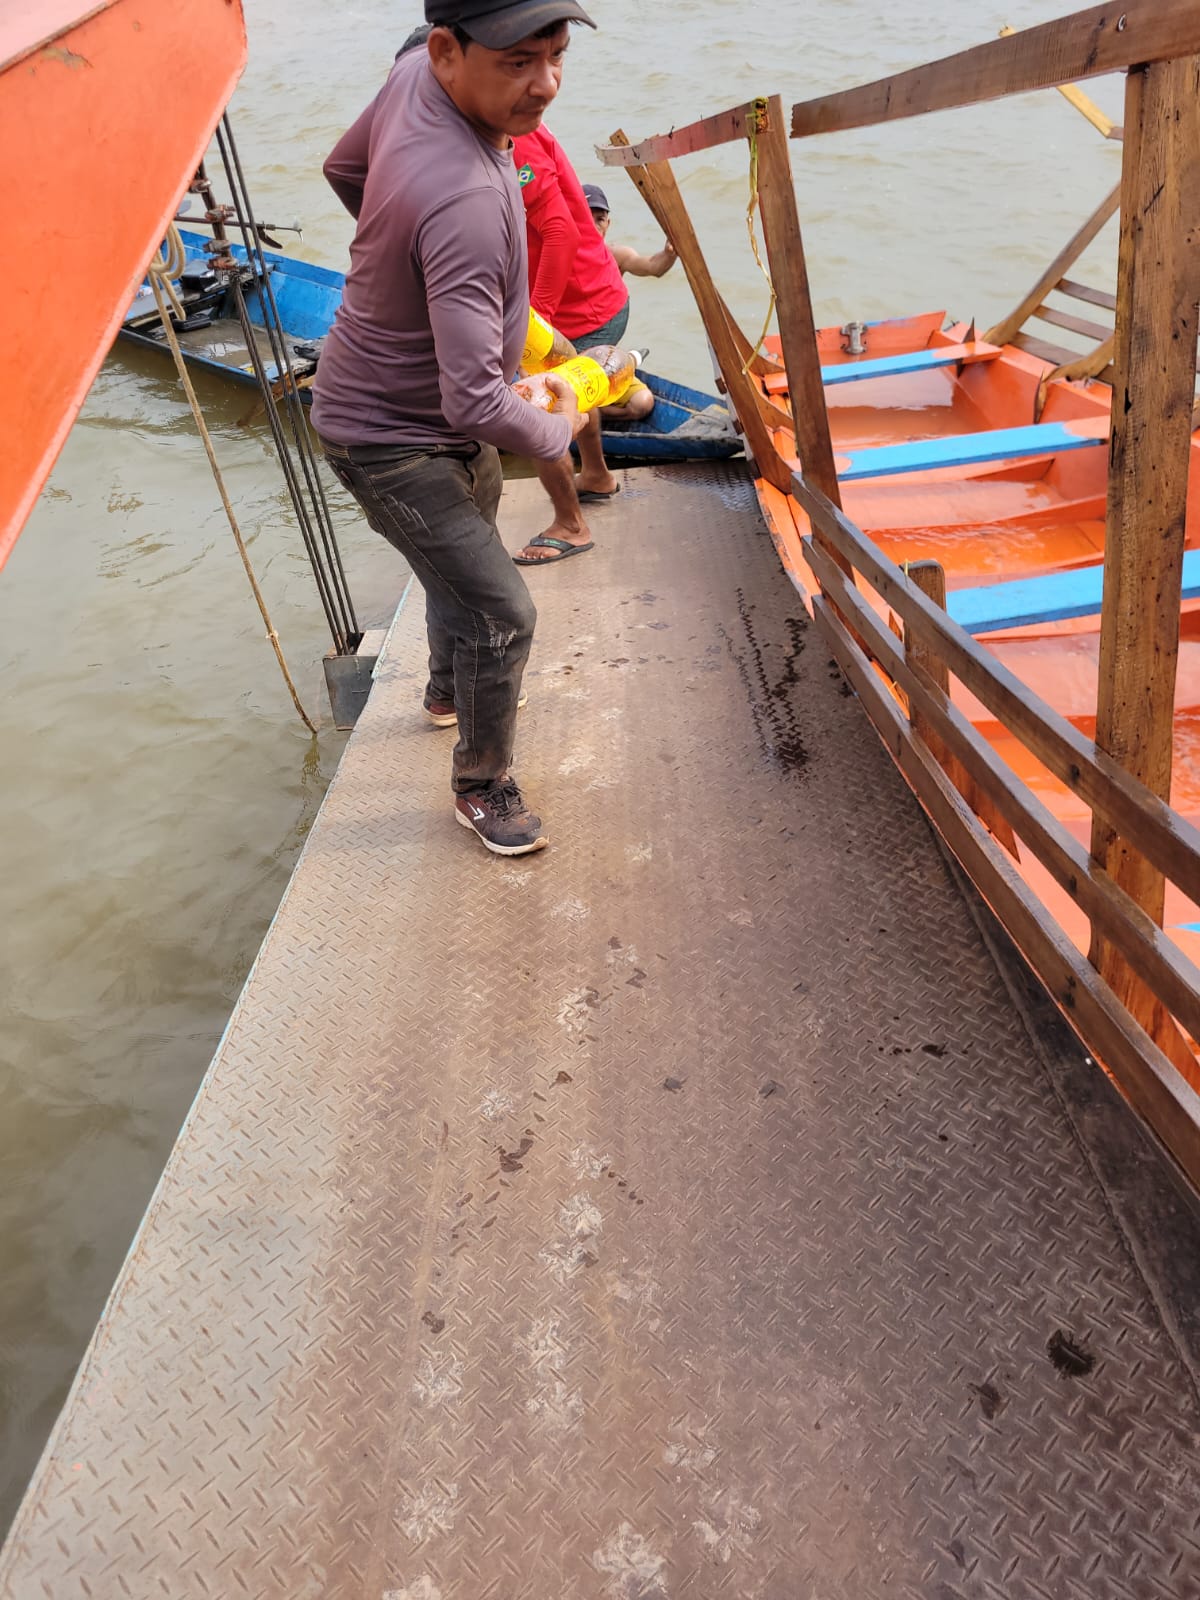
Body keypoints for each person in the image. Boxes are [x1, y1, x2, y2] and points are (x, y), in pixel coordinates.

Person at [311, 0, 597, 858]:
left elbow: (341, 166)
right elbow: (482, 407)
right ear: (445, 50)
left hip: (442, 403)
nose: (544, 85)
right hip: (385, 435)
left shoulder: (409, 79)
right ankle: (480, 786)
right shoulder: (466, 198)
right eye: (517, 63)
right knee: (502, 611)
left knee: (459, 564)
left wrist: (404, 264)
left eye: (555, 56)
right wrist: (567, 416)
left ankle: (445, 691)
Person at [509, 121, 628, 566]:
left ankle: (571, 526)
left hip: (580, 303)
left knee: (539, 405)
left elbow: (561, 232)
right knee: (580, 387)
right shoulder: (503, 127)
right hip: (590, 295)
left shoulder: (514, 140)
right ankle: (596, 475)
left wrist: (535, 323)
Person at [582, 181, 677, 422]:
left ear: (608, 224)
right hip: (568, 362)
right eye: (584, 216)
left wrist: (670, 252)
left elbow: (653, 267)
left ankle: (593, 415)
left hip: (604, 361)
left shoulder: (616, 255)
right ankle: (583, 411)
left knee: (642, 403)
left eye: (600, 219)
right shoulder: (555, 256)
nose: (593, 226)